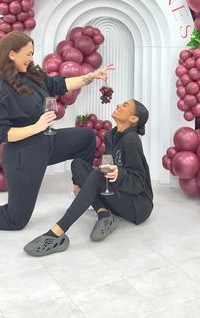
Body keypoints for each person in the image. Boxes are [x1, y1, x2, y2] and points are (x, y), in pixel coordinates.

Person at [0, 30, 113, 230]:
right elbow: (2, 134)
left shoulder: (32, 75)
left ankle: (78, 194)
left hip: (46, 142)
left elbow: (60, 84)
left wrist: (92, 76)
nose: (31, 58)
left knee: (86, 137)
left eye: (32, 53)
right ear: (12, 54)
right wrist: (37, 127)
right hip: (23, 155)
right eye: (28, 53)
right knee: (16, 220)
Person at [23, 99, 153, 257]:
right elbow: (110, 164)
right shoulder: (111, 135)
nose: (119, 105)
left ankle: (57, 233)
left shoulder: (131, 140)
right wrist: (101, 175)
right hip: (119, 193)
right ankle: (104, 214)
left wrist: (119, 174)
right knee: (78, 164)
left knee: (98, 175)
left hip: (138, 207)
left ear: (133, 119)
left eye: (125, 106)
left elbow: (139, 182)